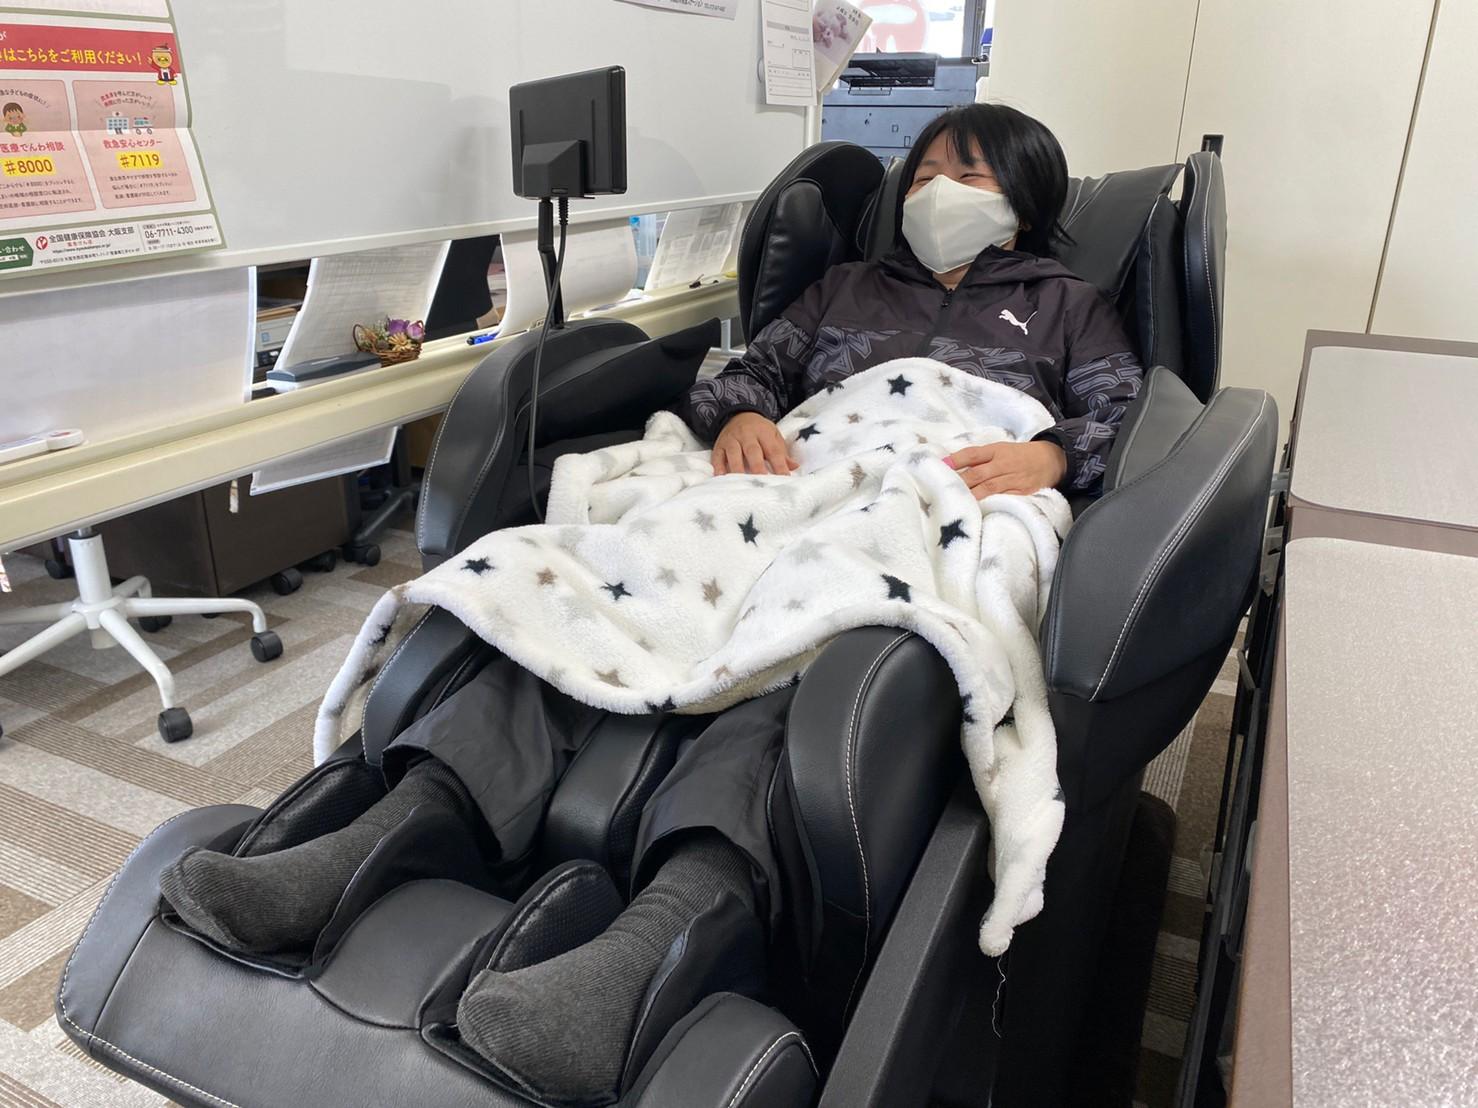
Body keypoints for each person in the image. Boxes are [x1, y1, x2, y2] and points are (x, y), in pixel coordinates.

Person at [157, 103, 1141, 1102]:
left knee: (814, 628)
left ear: (1020, 202)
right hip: (798, 475)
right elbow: (752, 372)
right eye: (923, 173)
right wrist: (746, 414)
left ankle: (668, 930)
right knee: (590, 584)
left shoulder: (1065, 305)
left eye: (967, 176)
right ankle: (398, 824)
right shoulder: (847, 285)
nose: (935, 194)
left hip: (930, 499)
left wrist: (1050, 455)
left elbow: (1122, 412)